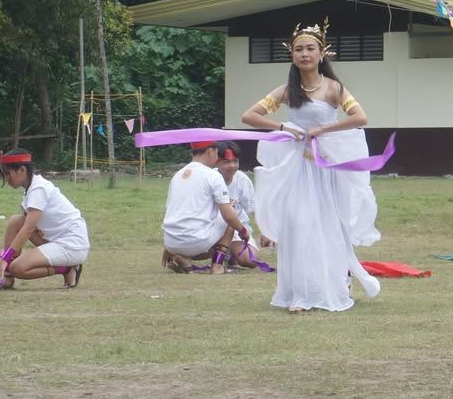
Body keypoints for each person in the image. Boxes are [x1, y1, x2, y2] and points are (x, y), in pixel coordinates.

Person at [241, 18, 382, 312]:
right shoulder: (286, 90)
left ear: (321, 53)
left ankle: (335, 284)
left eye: (310, 49)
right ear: (292, 55)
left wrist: (324, 130)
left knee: (328, 226)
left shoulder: (333, 88)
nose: (304, 54)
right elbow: (249, 116)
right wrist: (282, 126)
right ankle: (300, 293)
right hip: (297, 167)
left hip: (325, 167)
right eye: (299, 49)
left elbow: (360, 118)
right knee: (297, 225)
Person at [0, 149, 87, 289]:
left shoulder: (38, 189)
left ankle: (67, 268)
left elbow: (28, 229)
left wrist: (4, 258)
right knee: (15, 221)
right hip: (57, 241)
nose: (6, 179)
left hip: (72, 245)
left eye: (8, 174)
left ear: (22, 170)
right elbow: (26, 226)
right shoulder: (31, 188)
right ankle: (7, 277)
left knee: (18, 268)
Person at [161, 141, 245, 274]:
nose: (217, 158)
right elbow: (229, 217)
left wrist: (169, 247)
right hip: (196, 242)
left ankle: (182, 257)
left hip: (171, 242)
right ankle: (217, 265)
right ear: (211, 151)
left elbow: (171, 211)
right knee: (231, 211)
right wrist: (243, 231)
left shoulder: (177, 175)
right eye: (217, 153)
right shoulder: (213, 175)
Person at [215, 141, 263, 267]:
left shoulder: (243, 180)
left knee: (251, 260)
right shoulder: (209, 178)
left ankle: (230, 253)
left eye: (235, 161)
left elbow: (254, 209)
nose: (232, 166)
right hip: (212, 229)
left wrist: (265, 231)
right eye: (227, 162)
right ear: (216, 161)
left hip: (237, 229)